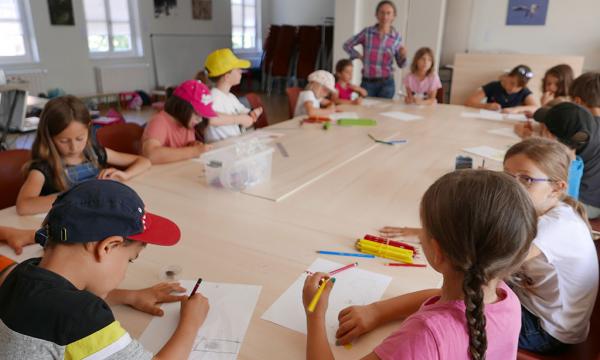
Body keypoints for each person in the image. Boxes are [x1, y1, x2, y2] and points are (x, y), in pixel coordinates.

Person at [303, 170, 537, 359]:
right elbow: (440, 298)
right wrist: (376, 311)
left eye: (423, 229)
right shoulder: (506, 299)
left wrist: (315, 315)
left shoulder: (423, 337)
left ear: (437, 252)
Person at [0, 180, 210, 359]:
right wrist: (191, 322)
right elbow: (73, 312)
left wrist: (129, 296)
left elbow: (51, 305)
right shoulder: (82, 317)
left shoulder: (18, 274)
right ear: (108, 247)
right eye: (130, 260)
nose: (125, 270)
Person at [504, 138, 598, 354]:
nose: (511, 186)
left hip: (546, 331)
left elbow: (492, 264)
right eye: (507, 176)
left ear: (556, 188)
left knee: (454, 313)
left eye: (526, 179)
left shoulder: (554, 226)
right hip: (535, 307)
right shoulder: (544, 208)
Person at [16, 96, 151, 215]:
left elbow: (144, 161)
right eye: (64, 141)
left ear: (89, 128)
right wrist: (76, 197)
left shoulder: (95, 153)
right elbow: (23, 206)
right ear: (49, 137)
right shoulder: (43, 168)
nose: (74, 147)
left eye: (80, 138)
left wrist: (125, 175)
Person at [533, 102, 600, 218]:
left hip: (585, 204)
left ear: (551, 136)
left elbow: (565, 202)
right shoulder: (588, 126)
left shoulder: (570, 163)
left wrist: (536, 142)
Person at [343, 0, 407, 99]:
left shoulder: (397, 37)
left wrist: (403, 55)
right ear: (376, 14)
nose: (385, 16)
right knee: (365, 113)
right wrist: (358, 56)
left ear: (394, 16)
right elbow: (347, 45)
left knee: (383, 114)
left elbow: (401, 64)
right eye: (382, 12)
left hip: (387, 84)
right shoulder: (367, 33)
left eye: (388, 13)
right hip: (368, 83)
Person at [142, 80, 215, 164]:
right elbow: (151, 155)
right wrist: (194, 151)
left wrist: (193, 145)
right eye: (197, 114)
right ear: (182, 107)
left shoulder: (187, 123)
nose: (200, 119)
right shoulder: (160, 121)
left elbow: (183, 148)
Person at [203, 48, 263, 143]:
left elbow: (244, 118)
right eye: (238, 69)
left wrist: (251, 115)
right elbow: (210, 118)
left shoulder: (231, 97)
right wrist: (239, 119)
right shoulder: (214, 97)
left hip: (233, 146)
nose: (241, 71)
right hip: (221, 151)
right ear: (227, 76)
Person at [465, 65, 538, 114]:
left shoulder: (524, 91)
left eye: (518, 87)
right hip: (489, 121)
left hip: (509, 125)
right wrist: (486, 106)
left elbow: (535, 108)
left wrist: (516, 109)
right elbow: (469, 102)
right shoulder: (494, 86)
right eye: (512, 83)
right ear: (508, 76)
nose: (513, 89)